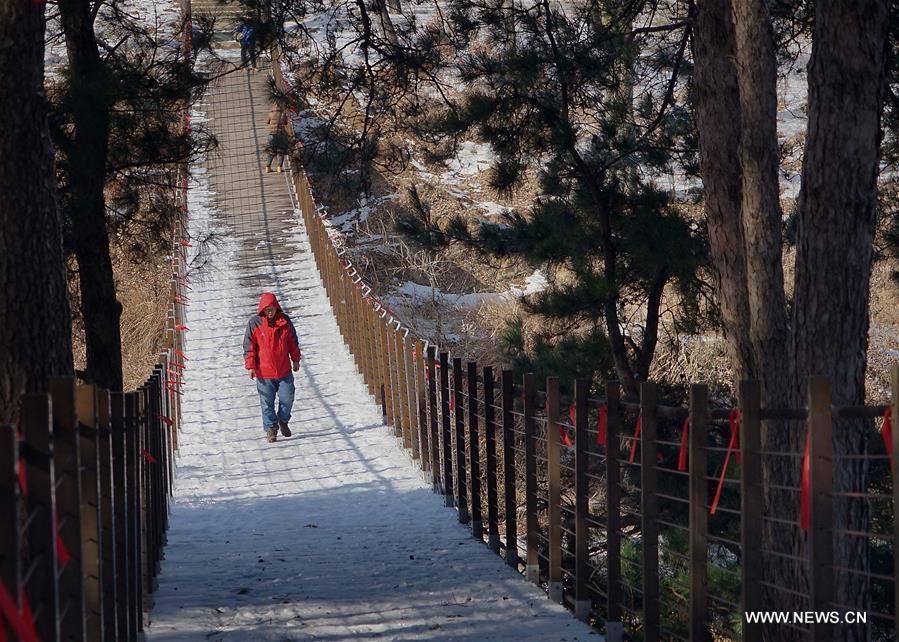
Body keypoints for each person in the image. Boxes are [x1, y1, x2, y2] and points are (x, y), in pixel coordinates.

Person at [243, 292, 302, 442]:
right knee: (266, 402)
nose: (270, 311)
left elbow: (292, 342)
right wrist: (251, 366)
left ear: (276, 308)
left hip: (284, 370)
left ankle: (283, 420)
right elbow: (249, 347)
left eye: (272, 308)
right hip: (264, 372)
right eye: (267, 309)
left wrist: (295, 359)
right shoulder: (254, 324)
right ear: (262, 309)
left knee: (287, 397)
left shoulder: (285, 322)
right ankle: (271, 428)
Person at [265, 105, 292, 173]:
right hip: (280, 134)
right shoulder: (283, 113)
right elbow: (285, 123)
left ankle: (268, 167)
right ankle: (279, 167)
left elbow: (267, 122)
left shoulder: (270, 113)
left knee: (271, 150)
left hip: (271, 134)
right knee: (280, 150)